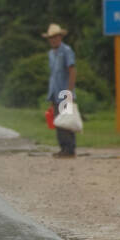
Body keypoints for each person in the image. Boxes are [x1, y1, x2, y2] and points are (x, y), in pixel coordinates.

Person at [43, 23, 77, 158]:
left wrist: (69, 91)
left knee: (66, 121)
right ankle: (63, 148)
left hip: (64, 92)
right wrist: (51, 96)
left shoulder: (67, 51)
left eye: (55, 37)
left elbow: (72, 71)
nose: (53, 40)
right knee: (58, 121)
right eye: (51, 38)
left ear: (60, 37)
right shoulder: (51, 54)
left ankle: (69, 149)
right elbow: (53, 75)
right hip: (55, 92)